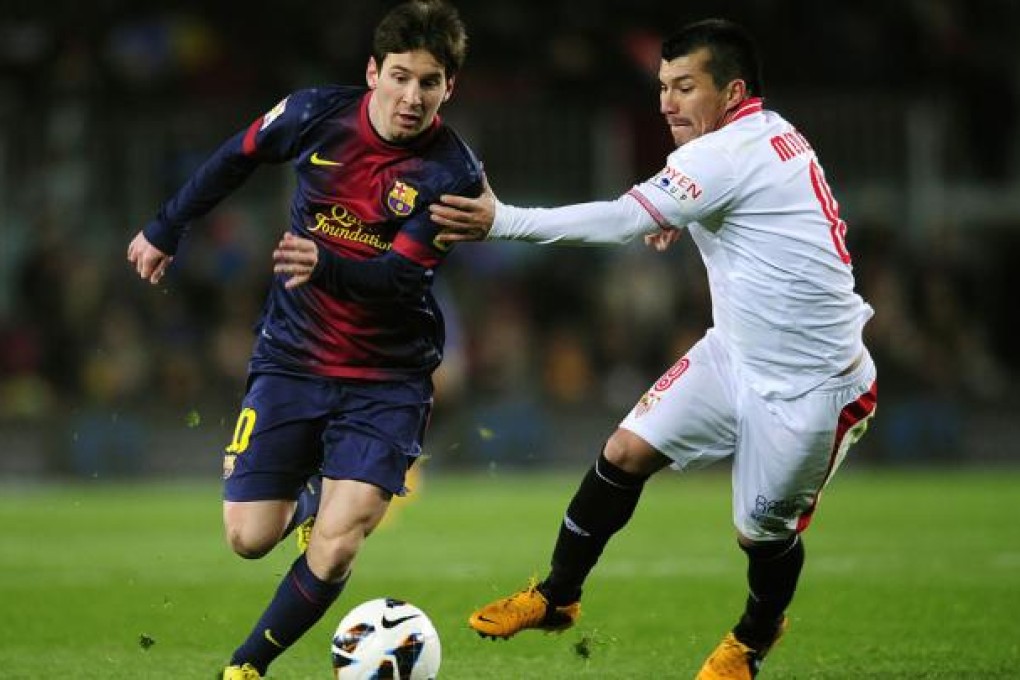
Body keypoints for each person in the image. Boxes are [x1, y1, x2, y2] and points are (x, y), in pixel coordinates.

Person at [430, 18, 877, 680]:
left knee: (761, 535)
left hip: (815, 388)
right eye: (663, 86)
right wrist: (682, 218)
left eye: (685, 86)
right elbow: (751, 216)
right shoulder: (764, 132)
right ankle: (557, 596)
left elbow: (622, 219)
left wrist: (505, 221)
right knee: (625, 451)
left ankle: (752, 639)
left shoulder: (722, 156)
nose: (667, 102)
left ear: (733, 91)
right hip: (735, 357)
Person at [126, 2, 482, 678]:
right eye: (400, 77)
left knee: (339, 543)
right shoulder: (315, 114)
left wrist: (326, 263)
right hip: (292, 359)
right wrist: (166, 227)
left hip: (388, 376)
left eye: (429, 83)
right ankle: (326, 487)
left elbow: (402, 279)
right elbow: (237, 156)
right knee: (250, 537)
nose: (411, 97)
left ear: (449, 88)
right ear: (372, 71)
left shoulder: (453, 174)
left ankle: (246, 666)